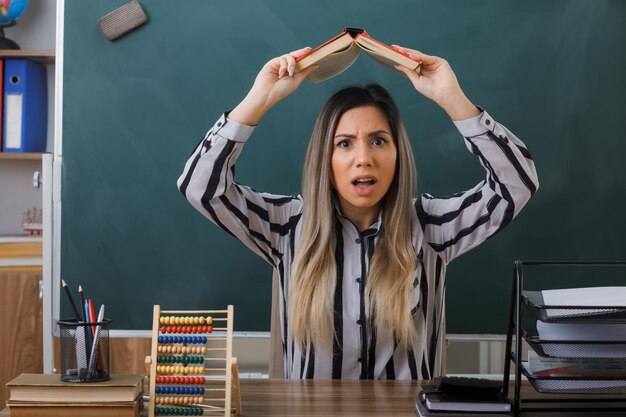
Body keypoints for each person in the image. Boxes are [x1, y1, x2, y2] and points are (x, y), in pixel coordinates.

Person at [178, 45, 539, 379]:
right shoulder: (287, 226)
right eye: (344, 144)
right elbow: (200, 187)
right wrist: (258, 100)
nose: (363, 158)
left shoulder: (430, 227)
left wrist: (453, 100)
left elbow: (517, 185)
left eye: (379, 141)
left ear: (398, 155)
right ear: (326, 158)